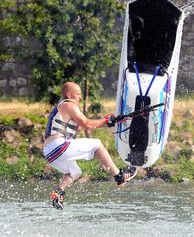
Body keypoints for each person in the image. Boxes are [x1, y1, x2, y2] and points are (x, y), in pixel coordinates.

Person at [43, 81, 137, 210]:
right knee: (97, 144)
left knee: (75, 172)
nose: (80, 97)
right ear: (69, 95)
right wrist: (107, 121)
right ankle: (118, 175)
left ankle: (58, 192)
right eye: (77, 94)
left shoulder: (61, 108)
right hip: (58, 146)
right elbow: (87, 124)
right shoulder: (68, 105)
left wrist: (110, 121)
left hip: (50, 153)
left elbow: (88, 124)